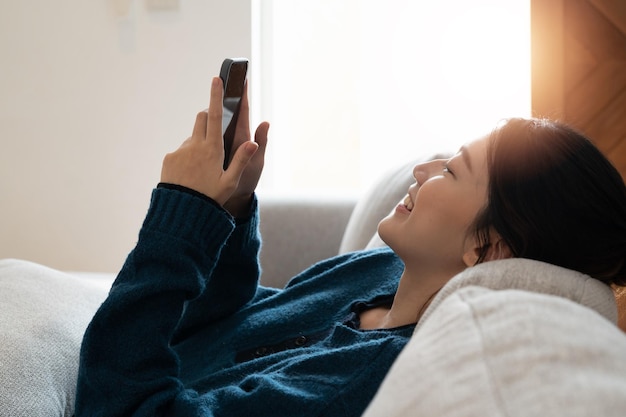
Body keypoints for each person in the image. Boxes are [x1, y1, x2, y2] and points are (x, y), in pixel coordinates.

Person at [74, 77, 626, 417]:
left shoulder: (361, 381)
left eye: (452, 171)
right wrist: (228, 212)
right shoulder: (377, 273)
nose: (422, 169)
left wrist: (180, 216)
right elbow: (222, 325)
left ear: (489, 249)